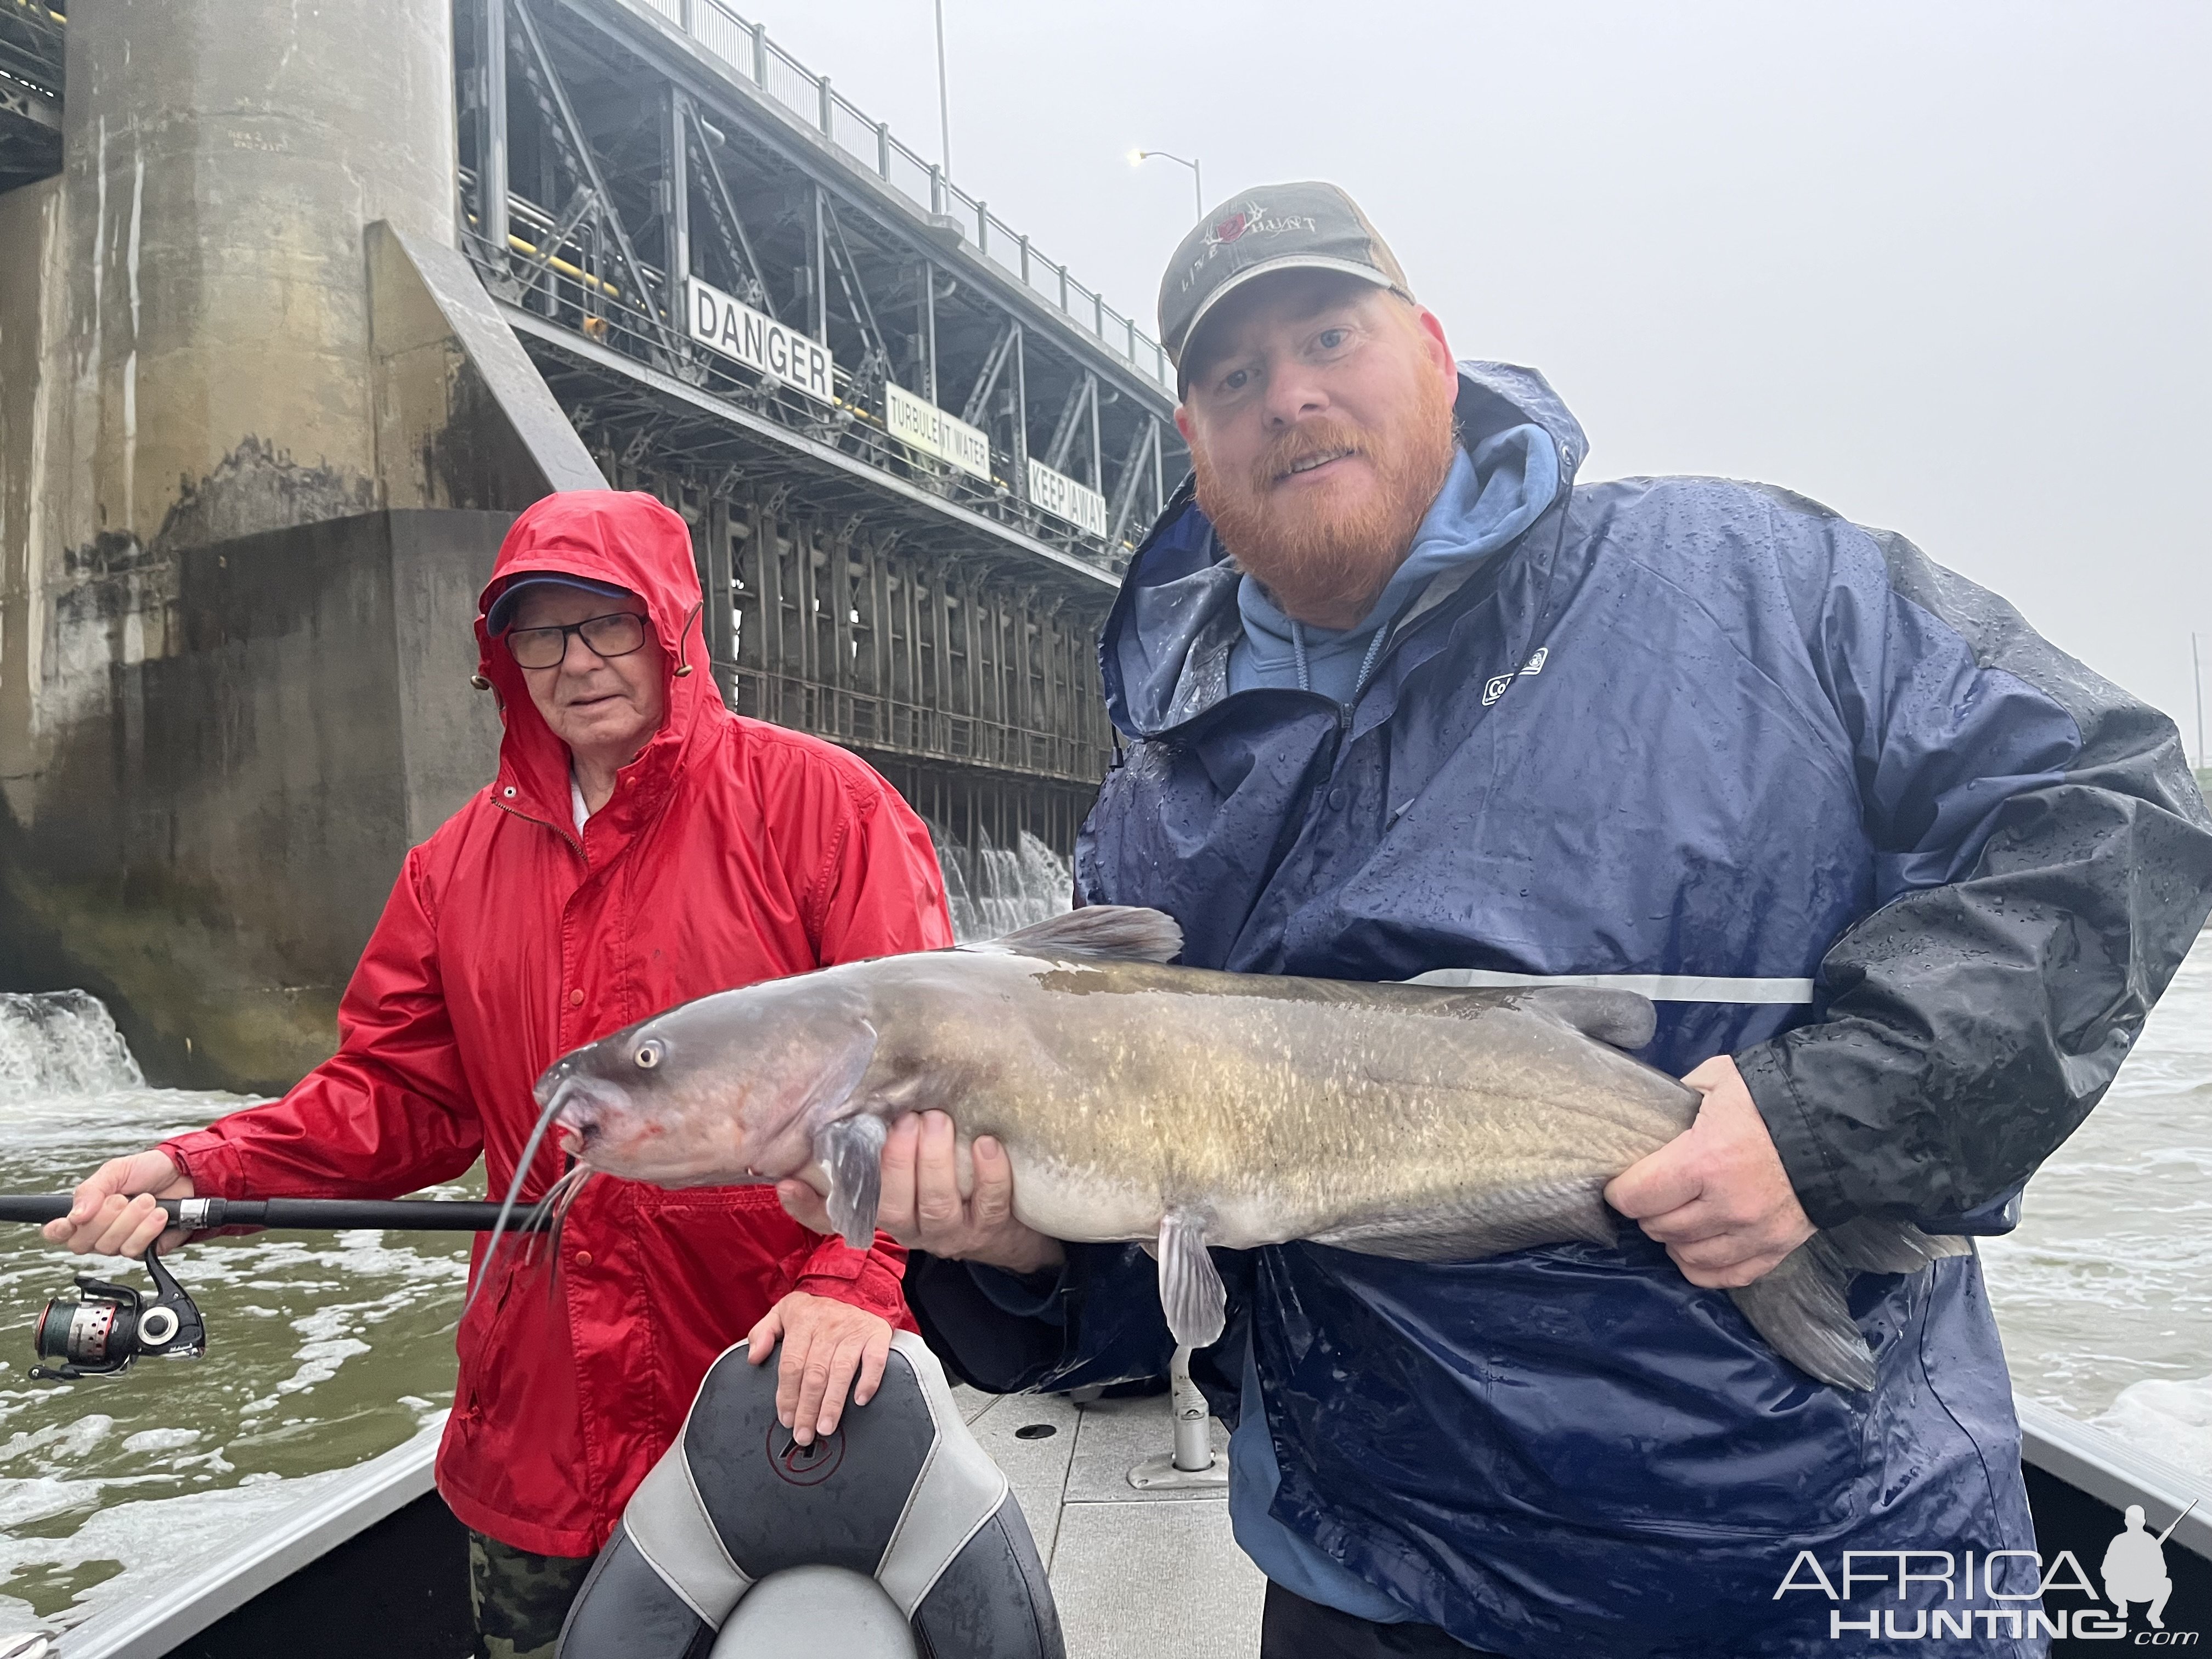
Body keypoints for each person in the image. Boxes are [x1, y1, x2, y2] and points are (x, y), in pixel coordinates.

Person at [782, 183, 2212, 1656]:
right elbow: (1176, 1288)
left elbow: (2118, 805)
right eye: (1232, 376)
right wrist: (1009, 1256)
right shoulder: (1160, 803)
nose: (1291, 395)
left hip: (1809, 1568)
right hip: (1370, 1590)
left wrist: (1827, 1125)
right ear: (1193, 440)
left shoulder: (1759, 583)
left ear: (1438, 357)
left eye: (1330, 333)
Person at [43, 490, 954, 1659]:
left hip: (774, 1398)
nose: (576, 663)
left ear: (672, 627)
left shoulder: (823, 809)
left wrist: (850, 1280)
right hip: (539, 1441)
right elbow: (396, 1101)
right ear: (503, 656)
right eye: (542, 634)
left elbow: (923, 1076)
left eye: (607, 625)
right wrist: (194, 1165)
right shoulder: (449, 867)